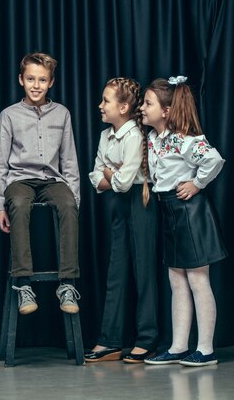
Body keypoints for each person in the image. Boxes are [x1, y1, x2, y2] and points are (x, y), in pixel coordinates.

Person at [140, 76, 227, 367]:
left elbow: (213, 159)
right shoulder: (154, 139)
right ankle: (178, 346)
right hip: (170, 213)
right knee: (176, 279)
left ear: (165, 111)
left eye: (148, 103)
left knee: (198, 279)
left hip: (190, 213)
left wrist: (197, 184)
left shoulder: (182, 138)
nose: (142, 107)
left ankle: (205, 349)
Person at [0, 52, 81, 316]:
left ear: (51, 82)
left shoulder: (62, 114)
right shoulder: (9, 115)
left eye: (42, 80)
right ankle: (23, 284)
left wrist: (75, 198)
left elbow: (70, 160)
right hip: (19, 179)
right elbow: (1, 162)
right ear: (21, 79)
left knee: (67, 204)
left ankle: (67, 283)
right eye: (30, 79)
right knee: (19, 203)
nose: (36, 85)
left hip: (52, 179)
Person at [84, 77, 159, 364]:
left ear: (124, 107)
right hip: (117, 206)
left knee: (143, 272)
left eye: (106, 101)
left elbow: (126, 182)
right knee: (116, 271)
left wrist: (109, 173)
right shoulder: (106, 135)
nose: (100, 105)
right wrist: (109, 175)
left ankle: (147, 339)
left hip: (141, 204)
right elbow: (95, 176)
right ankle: (111, 339)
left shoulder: (135, 136)